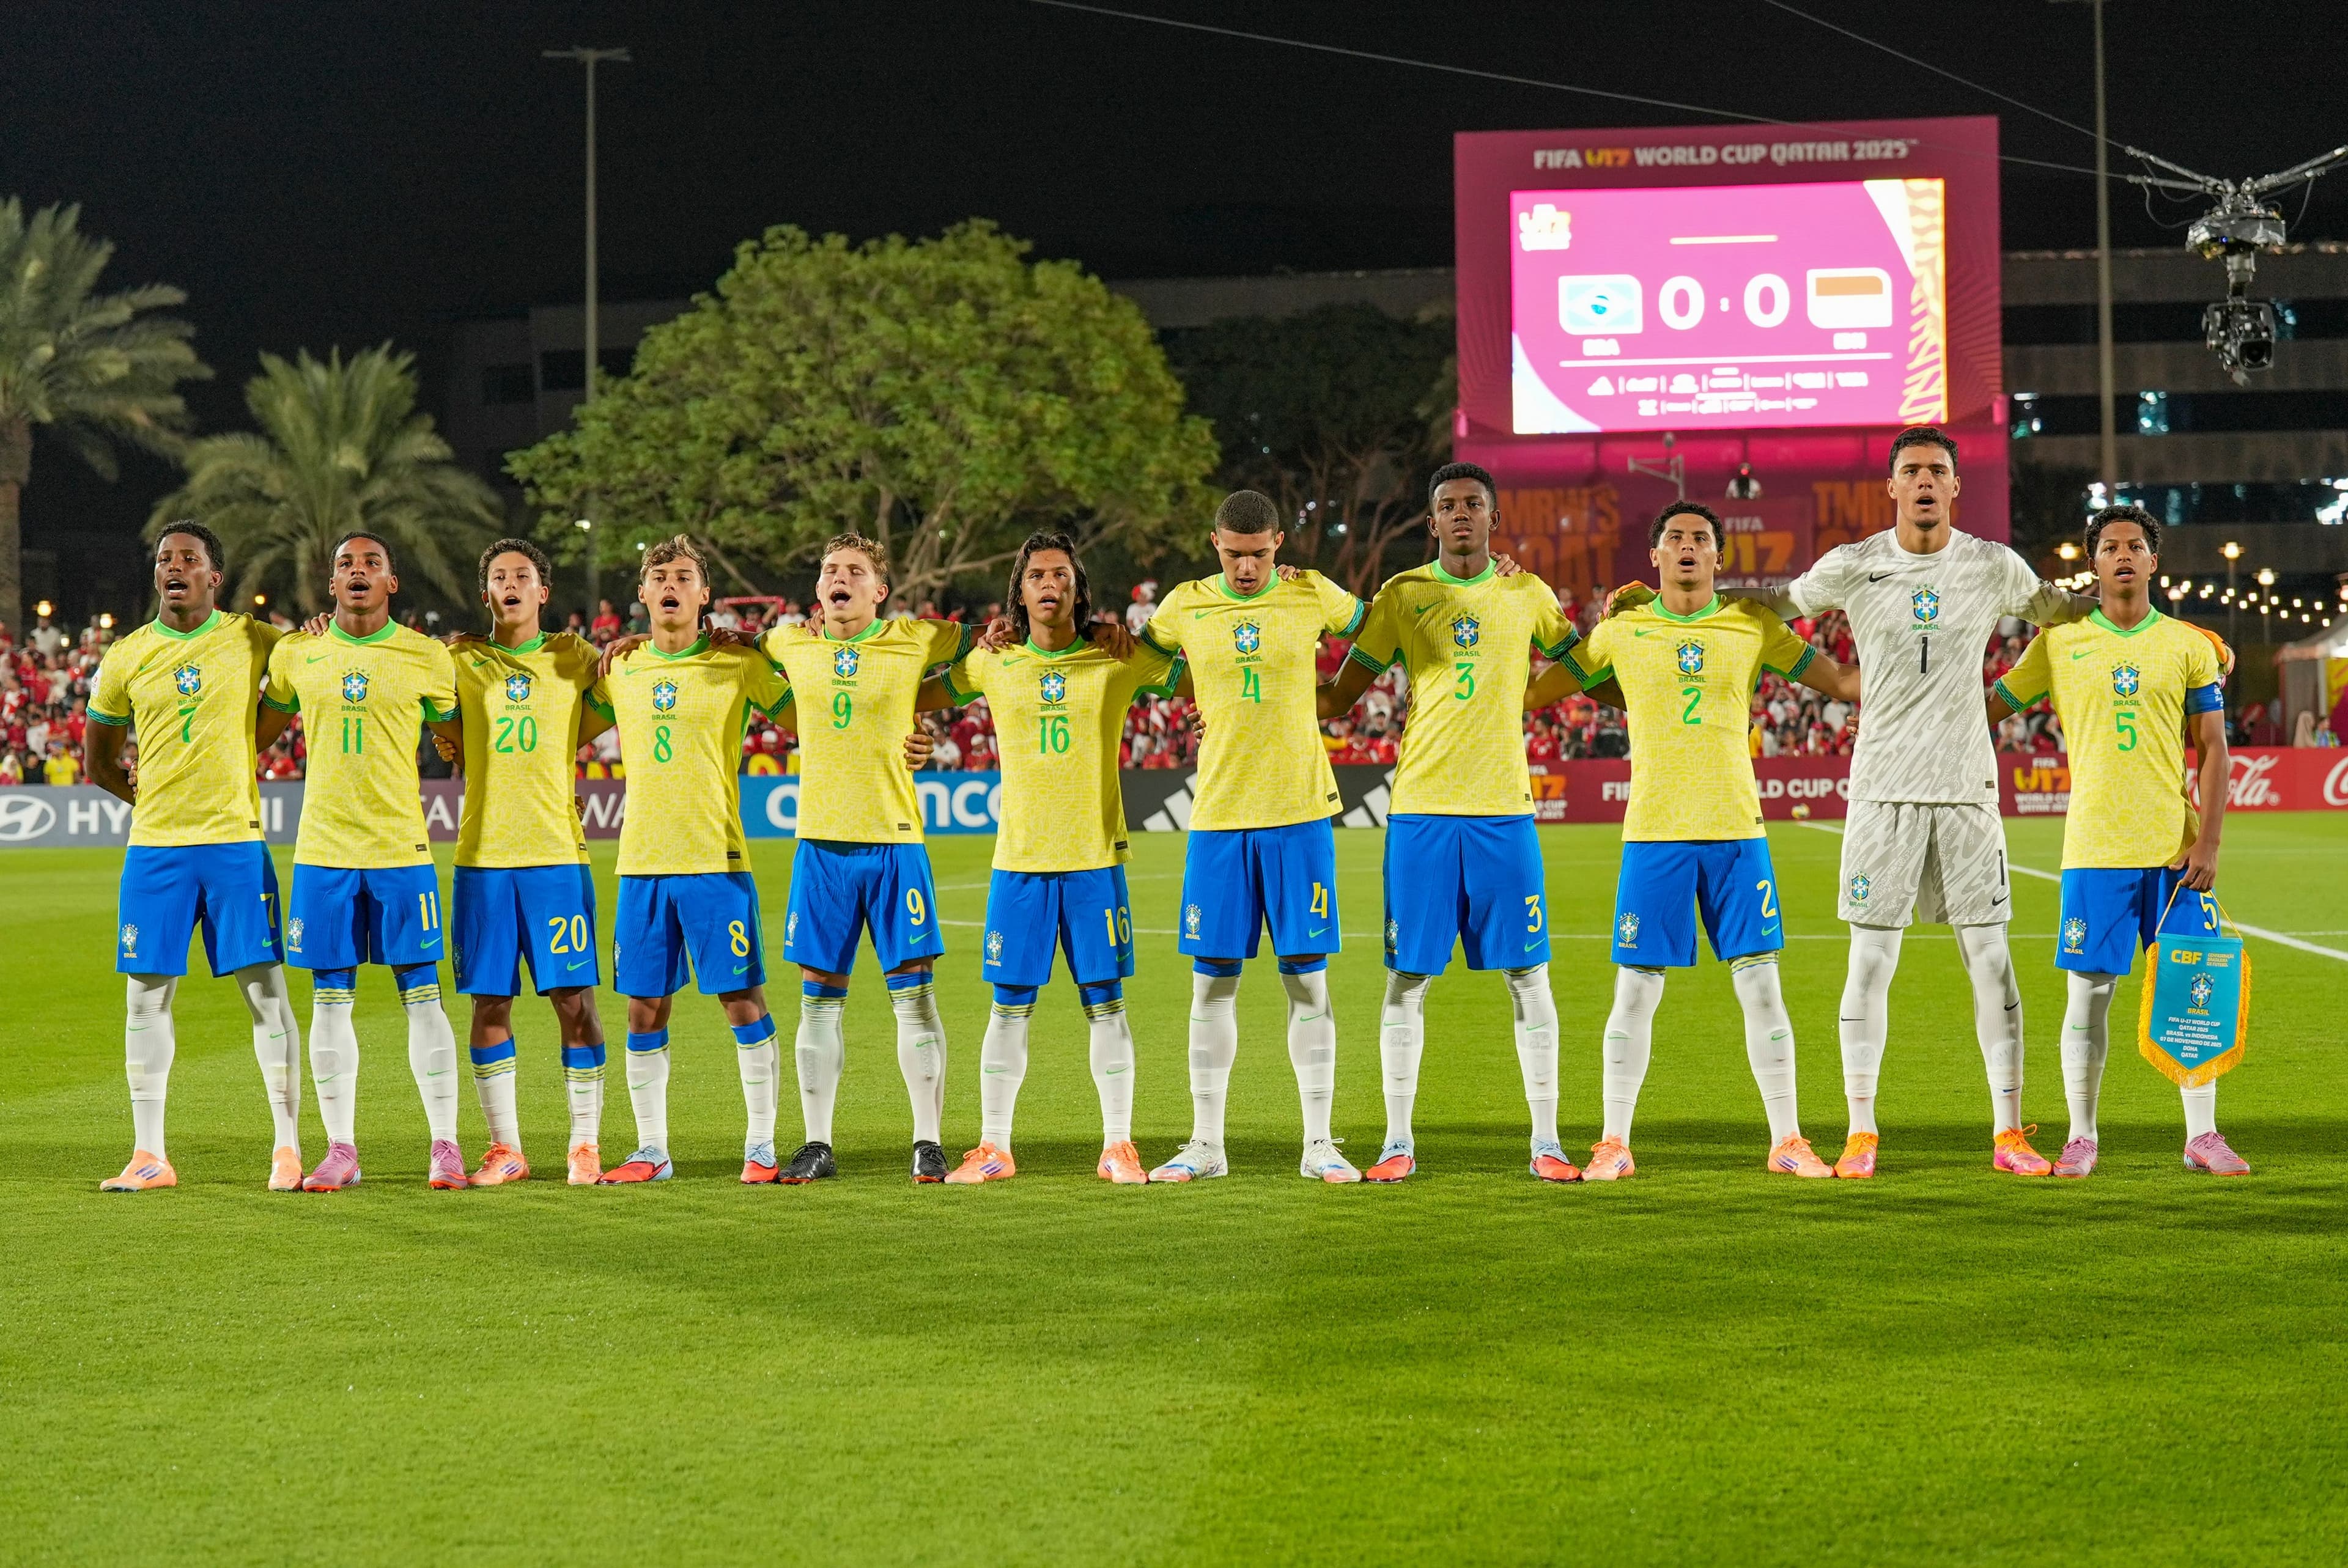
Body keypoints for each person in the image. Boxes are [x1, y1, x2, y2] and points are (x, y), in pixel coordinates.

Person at [1644, 427, 2094, 1179]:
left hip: (1965, 788)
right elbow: (1772, 608)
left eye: (1937, 471)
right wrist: (1677, 595)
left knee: (1991, 962)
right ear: (1891, 488)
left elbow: (2069, 614)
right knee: (1871, 962)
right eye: (1912, 470)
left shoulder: (1992, 565)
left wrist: (2177, 629)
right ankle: (1860, 1131)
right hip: (1882, 787)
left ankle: (2009, 1132)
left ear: (1956, 487)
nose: (1924, 481)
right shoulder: (1854, 565)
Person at [1532, 501, 1859, 1179]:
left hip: (1739, 832)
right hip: (1655, 834)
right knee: (1635, 991)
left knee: (1763, 988)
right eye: (1675, 539)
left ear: (1719, 557)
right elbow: (1542, 688)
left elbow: (1842, 683)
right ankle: (1614, 1142)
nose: (1688, 547)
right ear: (1654, 557)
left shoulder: (1752, 623)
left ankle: (1788, 1139)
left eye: (1700, 540)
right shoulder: (1621, 631)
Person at [1315, 462, 1585, 1182]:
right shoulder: (1402, 596)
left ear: (1495, 520)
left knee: (1529, 976)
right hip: (1423, 812)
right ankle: (1396, 1142)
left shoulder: (1526, 591)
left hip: (1503, 812)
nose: (1460, 514)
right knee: (1408, 980)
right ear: (1431, 522)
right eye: (1446, 506)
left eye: (1473, 504)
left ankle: (1548, 1142)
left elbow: (1581, 664)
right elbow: (1342, 696)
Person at [915, 532, 1184, 1184]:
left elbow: (1203, 677)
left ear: (1078, 587)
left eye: (1061, 574)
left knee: (1105, 1001)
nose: (1049, 584)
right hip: (1020, 862)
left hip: (1095, 860)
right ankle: (995, 1147)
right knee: (1008, 1004)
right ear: (1021, 589)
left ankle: (1118, 1145)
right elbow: (918, 693)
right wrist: (903, 732)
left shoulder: (1116, 655)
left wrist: (1212, 712)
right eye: (1037, 574)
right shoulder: (992, 661)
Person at [1986, 506, 2245, 1176]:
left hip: (2174, 852)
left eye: (2135, 546)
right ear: (2093, 564)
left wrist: (2210, 843)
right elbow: (1990, 707)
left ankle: (2202, 1134)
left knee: (2192, 987)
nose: (2123, 555)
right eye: (2109, 547)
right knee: (2089, 995)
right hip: (2095, 850)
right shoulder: (2060, 640)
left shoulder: (2190, 645)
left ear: (2154, 562)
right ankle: (2081, 1136)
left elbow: (2215, 748)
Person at [1137, 490, 1369, 1184]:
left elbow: (1381, 632)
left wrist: (1338, 696)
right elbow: (1142, 664)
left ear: (1279, 546)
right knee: (1211, 987)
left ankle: (1319, 1143)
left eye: (1260, 554)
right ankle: (1207, 1145)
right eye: (1235, 555)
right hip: (1217, 818)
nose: (1246, 568)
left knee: (1307, 981)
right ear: (1215, 544)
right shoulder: (1184, 603)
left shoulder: (1311, 595)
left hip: (1299, 815)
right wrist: (1197, 693)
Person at [83, 525, 306, 1192]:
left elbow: (301, 680)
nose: (174, 567)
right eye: (164, 559)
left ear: (215, 576)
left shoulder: (254, 637)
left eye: (189, 559)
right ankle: (149, 1154)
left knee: (266, 994)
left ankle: (288, 1148)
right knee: (144, 1001)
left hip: (235, 842)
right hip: (155, 851)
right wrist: (147, 801)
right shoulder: (126, 657)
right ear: (156, 577)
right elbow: (98, 760)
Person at [757, 534, 975, 1183]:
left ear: (880, 591)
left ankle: (928, 1141)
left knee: (914, 998)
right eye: (830, 570)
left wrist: (927, 729)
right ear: (817, 591)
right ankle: (817, 1143)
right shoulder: (788, 643)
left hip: (895, 842)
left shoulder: (916, 637)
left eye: (856, 571)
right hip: (820, 846)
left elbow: (994, 638)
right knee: (819, 1000)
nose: (840, 578)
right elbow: (718, 645)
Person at [260, 532, 468, 1190]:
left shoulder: (426, 657)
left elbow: (459, 739)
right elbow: (254, 732)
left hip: (400, 847)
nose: (358, 572)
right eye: (346, 564)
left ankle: (446, 1145)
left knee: (423, 995)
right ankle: (342, 1150)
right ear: (331, 586)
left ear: (392, 583)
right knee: (330, 998)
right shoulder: (299, 654)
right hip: (322, 849)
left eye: (371, 564)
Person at [587, 537, 792, 1185]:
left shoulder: (737, 663)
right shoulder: (619, 669)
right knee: (644, 1007)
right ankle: (653, 1150)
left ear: (705, 595)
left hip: (716, 859)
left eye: (683, 576)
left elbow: (812, 715)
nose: (669, 584)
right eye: (658, 576)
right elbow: (553, 724)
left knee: (742, 999)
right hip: (642, 863)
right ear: (643, 595)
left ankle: (761, 1145)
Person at [444, 539, 616, 1187]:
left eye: (523, 576)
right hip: (482, 859)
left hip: (554, 858)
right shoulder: (459, 659)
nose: (510, 584)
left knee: (574, 1002)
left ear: (544, 592)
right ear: (485, 591)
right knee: (489, 1003)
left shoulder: (577, 658)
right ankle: (506, 1148)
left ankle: (585, 1144)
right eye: (498, 576)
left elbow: (652, 682)